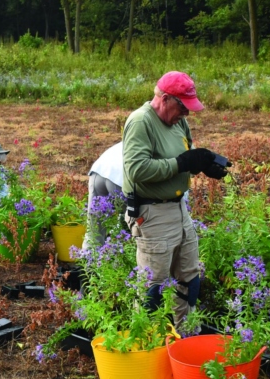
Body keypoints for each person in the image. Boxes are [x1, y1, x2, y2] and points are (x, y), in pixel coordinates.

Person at [122, 72, 228, 325]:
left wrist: (201, 164)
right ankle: (148, 343)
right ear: (165, 98)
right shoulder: (140, 122)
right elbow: (137, 170)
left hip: (179, 210)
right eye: (183, 107)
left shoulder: (178, 122)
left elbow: (183, 157)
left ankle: (186, 335)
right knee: (153, 287)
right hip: (152, 214)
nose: (186, 114)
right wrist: (182, 163)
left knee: (189, 278)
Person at [84, 142, 125, 251]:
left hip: (99, 170)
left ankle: (89, 261)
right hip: (120, 178)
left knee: (94, 228)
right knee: (130, 223)